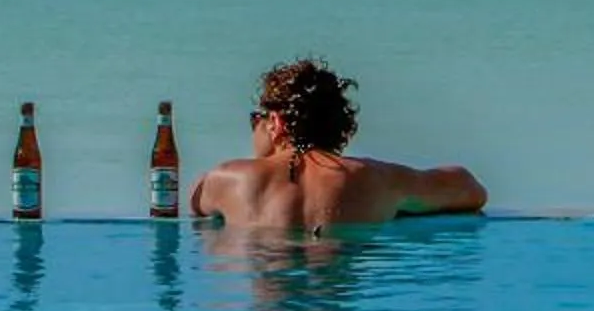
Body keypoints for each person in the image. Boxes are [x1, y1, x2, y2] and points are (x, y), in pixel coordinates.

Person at [190, 57, 486, 231]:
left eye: (257, 119)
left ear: (276, 123)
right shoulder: (376, 179)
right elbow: (471, 190)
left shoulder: (229, 179)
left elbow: (192, 199)